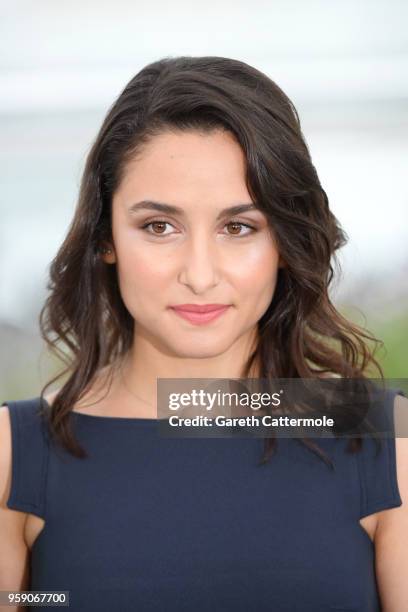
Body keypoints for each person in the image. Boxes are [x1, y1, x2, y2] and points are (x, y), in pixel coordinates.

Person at [0, 55, 407, 611]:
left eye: (238, 227)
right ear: (106, 237)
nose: (199, 274)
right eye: (159, 227)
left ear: (284, 242)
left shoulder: (386, 441)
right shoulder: (15, 455)